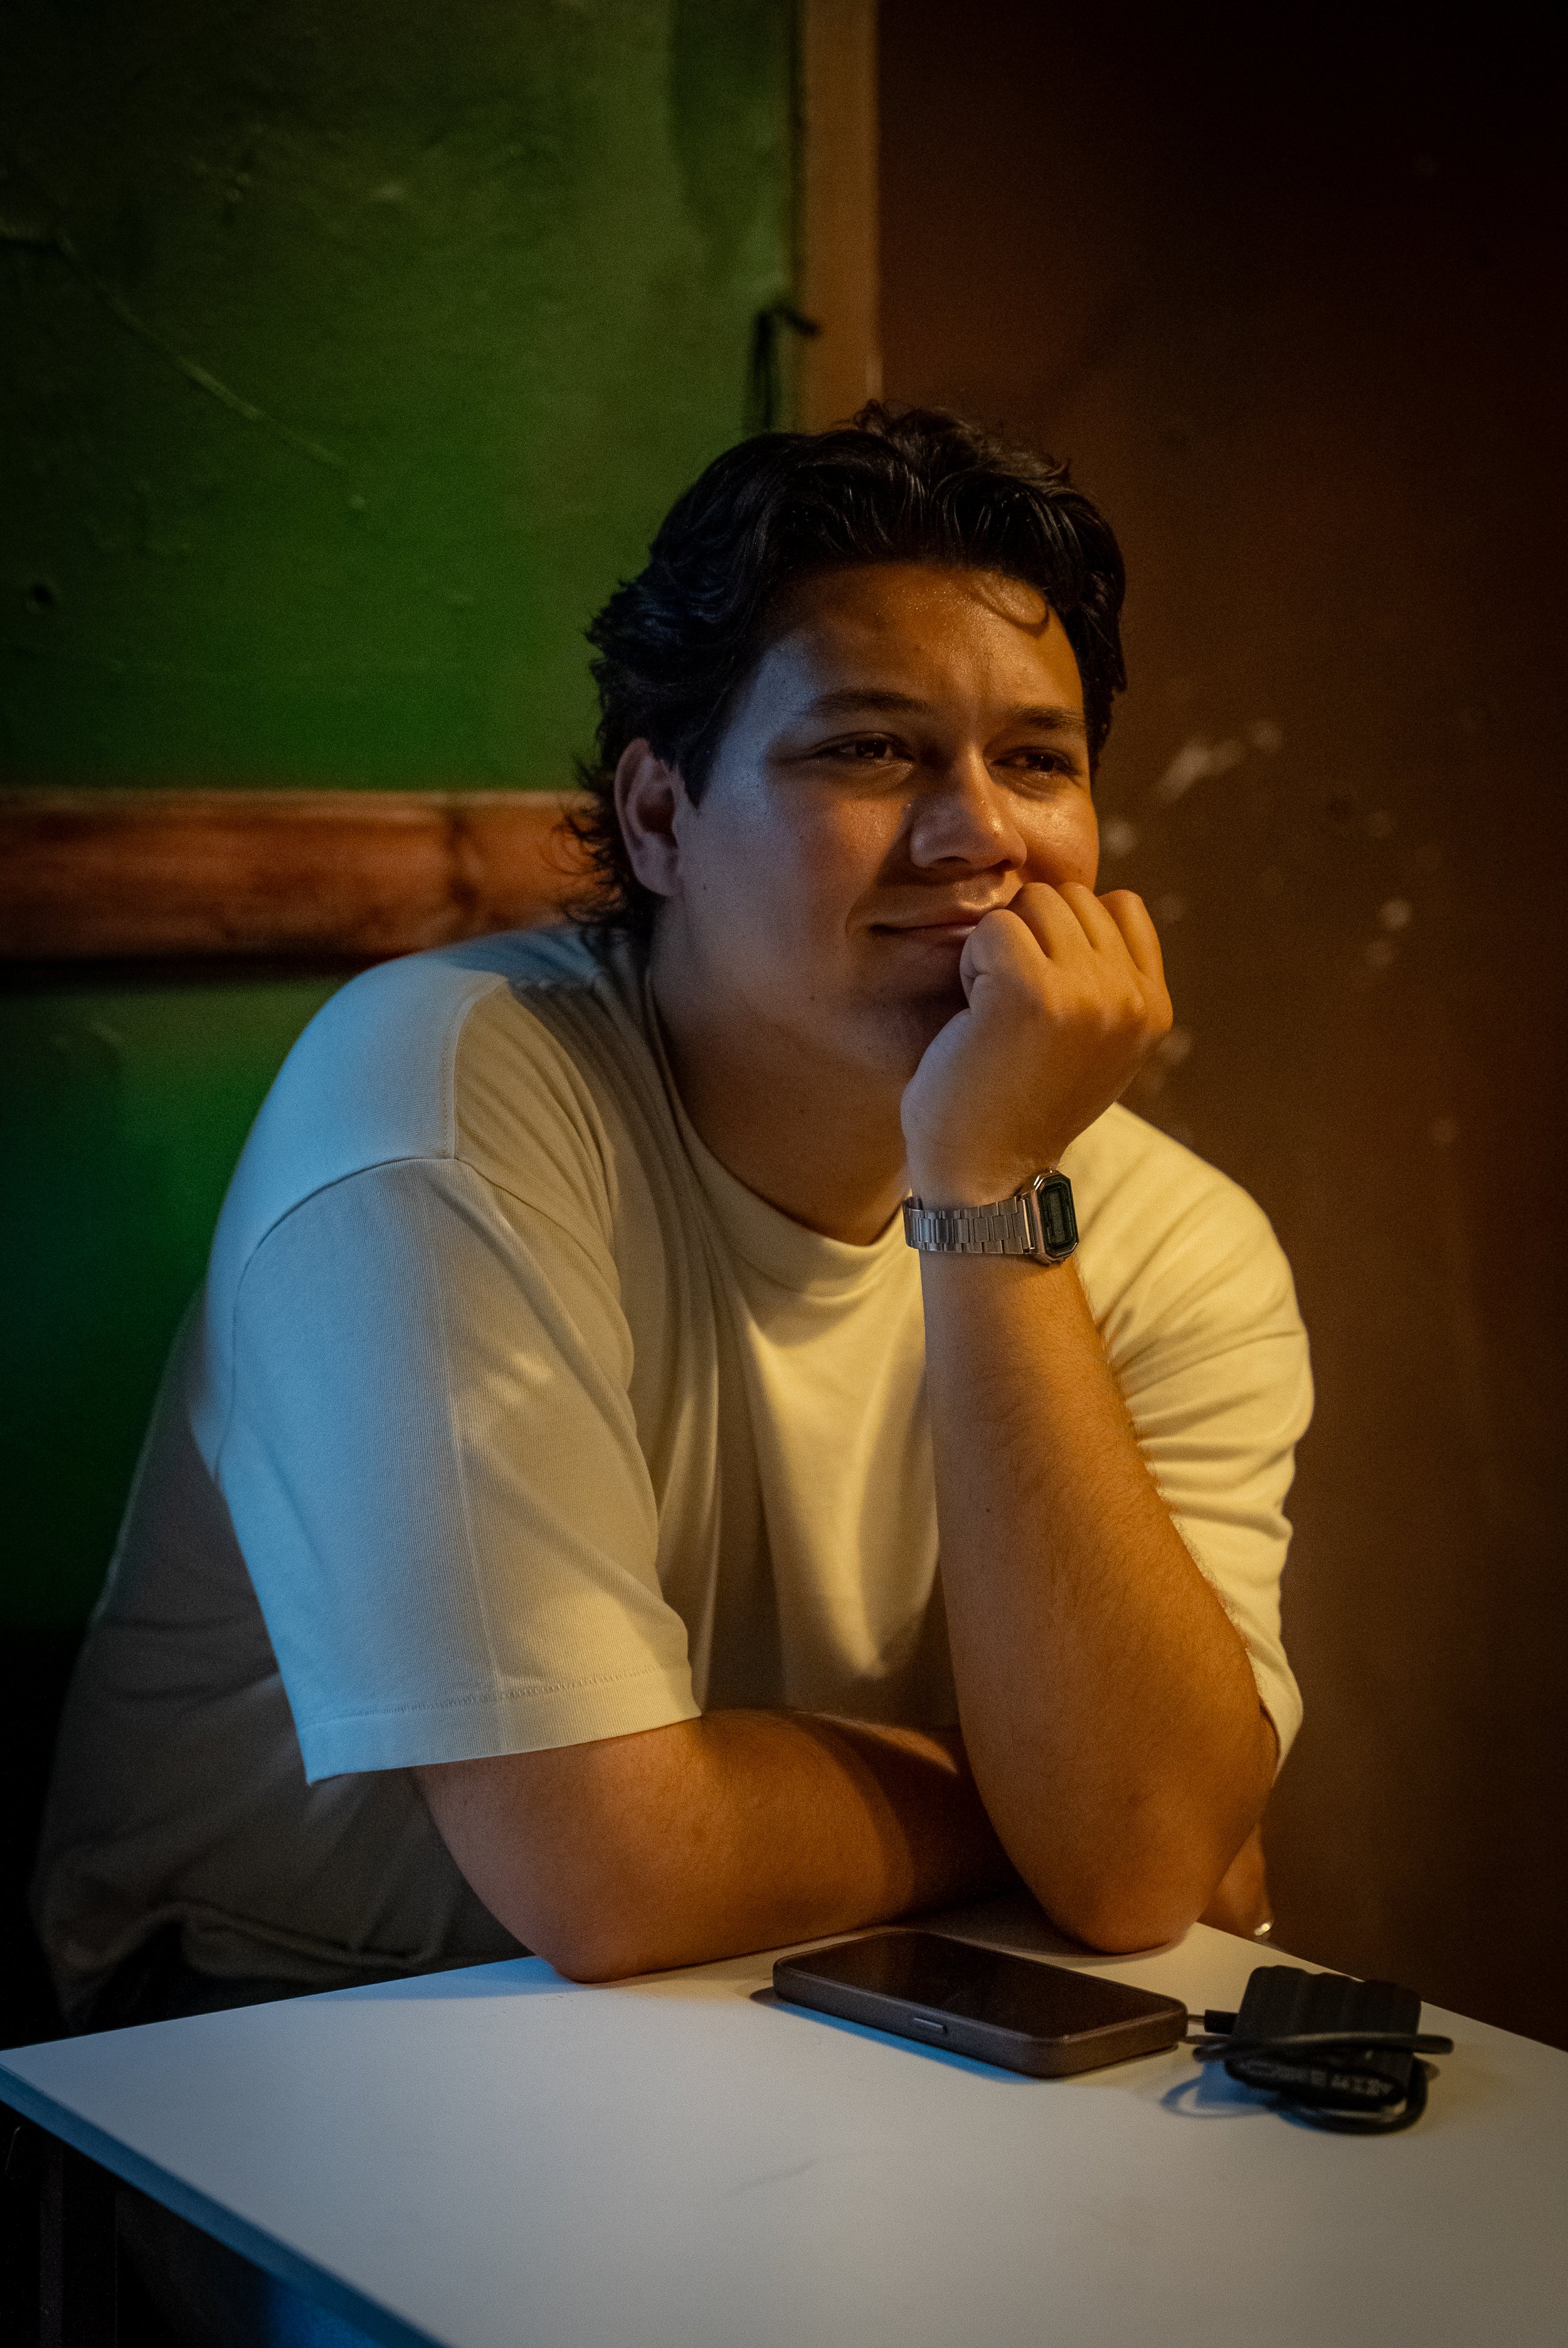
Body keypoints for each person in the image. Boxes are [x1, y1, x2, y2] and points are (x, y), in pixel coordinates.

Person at [36, 406, 1309, 2034]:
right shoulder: (439, 1110)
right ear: (656, 819)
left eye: (1037, 760)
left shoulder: (1169, 1235)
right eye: (868, 747)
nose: (979, 830)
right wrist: (1032, 1807)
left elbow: (1141, 1875)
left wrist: (985, 1194)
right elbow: (612, 1872)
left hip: (820, 2013)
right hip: (287, 2037)